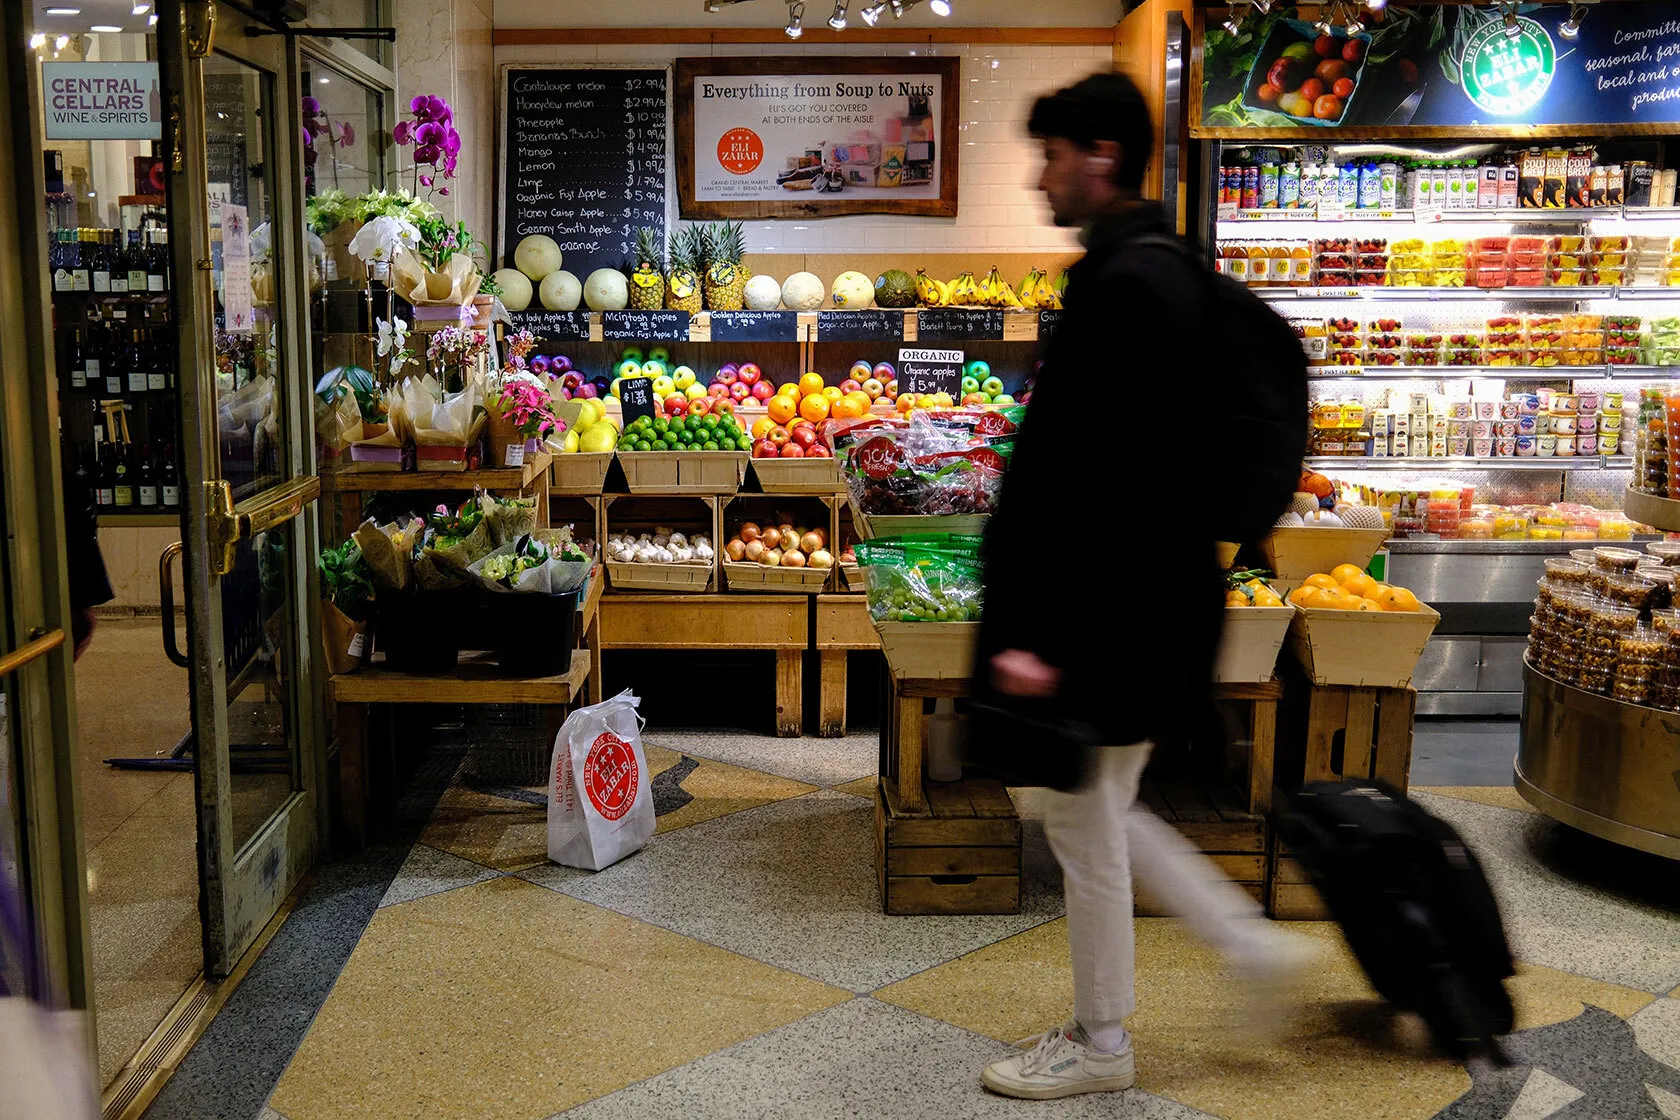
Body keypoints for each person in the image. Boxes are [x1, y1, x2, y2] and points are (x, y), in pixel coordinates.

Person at [975, 71, 1313, 1101]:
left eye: (1052, 154)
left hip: (1121, 607)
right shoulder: (1151, 269)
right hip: (1150, 598)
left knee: (1082, 815)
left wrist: (1052, 637)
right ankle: (1240, 951)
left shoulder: (1132, 287)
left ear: (1102, 157)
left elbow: (1105, 482)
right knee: (1097, 806)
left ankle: (1104, 1038)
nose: (1040, 176)